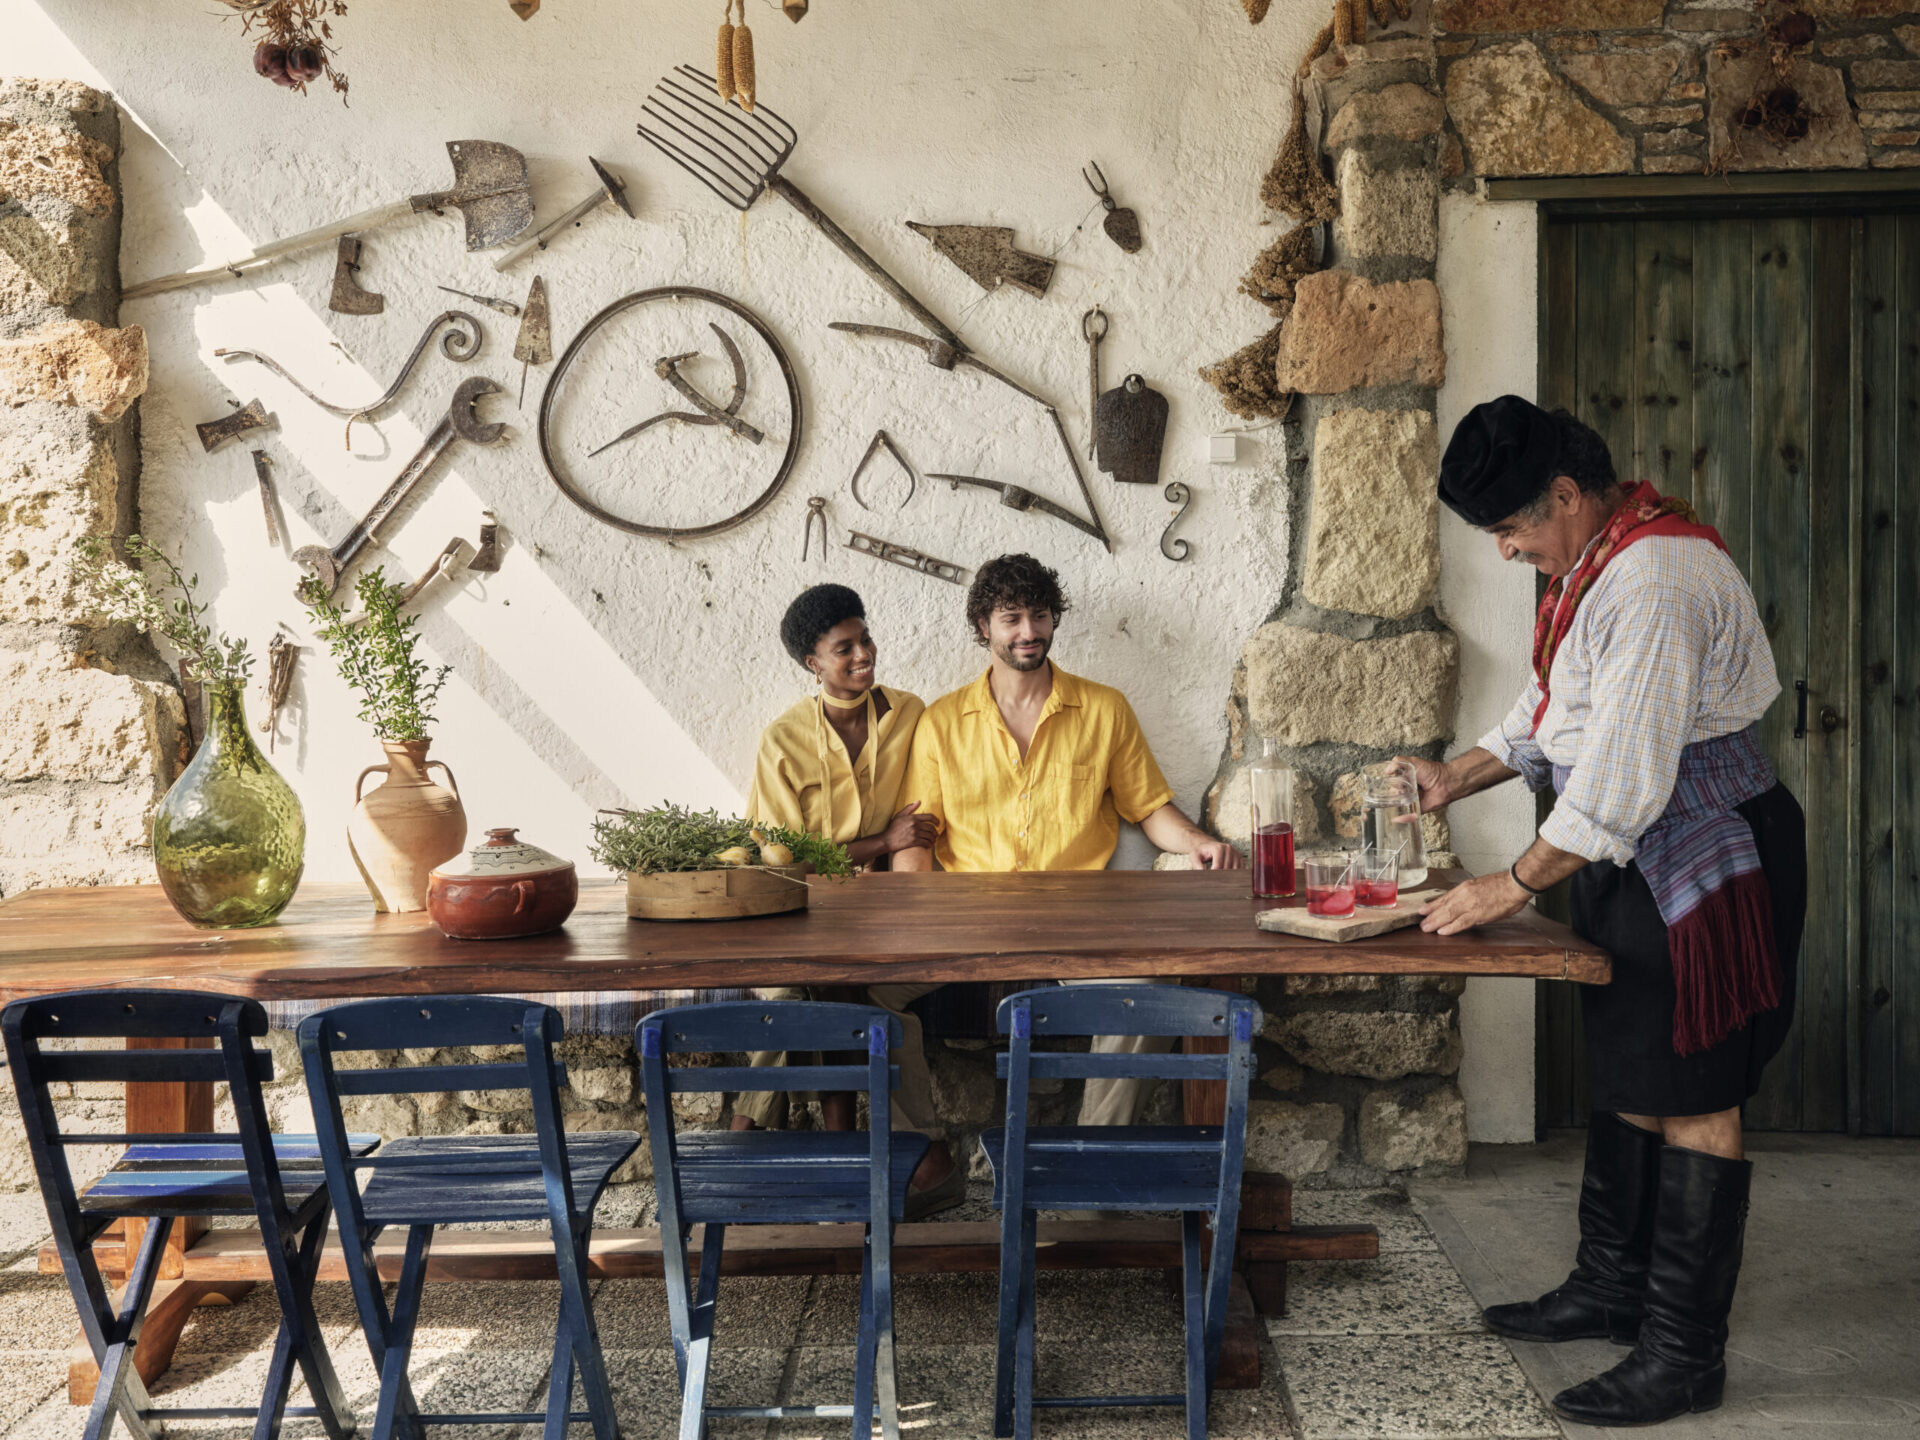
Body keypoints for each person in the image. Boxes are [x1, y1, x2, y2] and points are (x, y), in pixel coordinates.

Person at [1407, 396, 1806, 1427]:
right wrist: (1455, 779)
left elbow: (1622, 776)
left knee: (1695, 1089)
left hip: (1702, 855)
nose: (1505, 552)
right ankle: (1609, 1286)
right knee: (1634, 1066)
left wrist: (1509, 884)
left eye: (1512, 530)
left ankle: (1681, 1355)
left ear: (1569, 497)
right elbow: (1555, 711)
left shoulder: (1659, 579)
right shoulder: (1594, 564)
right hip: (1633, 853)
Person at [895, 553, 1240, 1128]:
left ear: (1054, 619)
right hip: (966, 919)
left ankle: (1092, 1162)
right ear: (984, 627)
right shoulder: (941, 721)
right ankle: (921, 1158)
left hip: (1077, 919)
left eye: (1039, 615)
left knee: (1147, 993)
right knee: (861, 998)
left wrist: (1196, 843)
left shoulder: (1104, 709)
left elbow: (1149, 806)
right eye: (1011, 618)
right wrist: (911, 908)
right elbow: (920, 835)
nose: (1028, 631)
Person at [735, 584, 962, 1217]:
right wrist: (877, 842)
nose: (863, 655)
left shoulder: (910, 715)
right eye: (844, 649)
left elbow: (934, 802)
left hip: (883, 913)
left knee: (833, 993)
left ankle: (748, 1145)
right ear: (813, 665)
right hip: (797, 913)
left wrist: (899, 854)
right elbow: (783, 861)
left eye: (864, 639)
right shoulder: (783, 739)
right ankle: (914, 1155)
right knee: (801, 995)